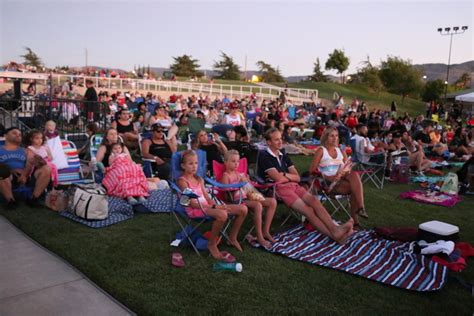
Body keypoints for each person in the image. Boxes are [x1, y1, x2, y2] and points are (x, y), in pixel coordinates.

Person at [258, 128, 354, 243]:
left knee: (314, 201)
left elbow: (297, 177)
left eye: (281, 139)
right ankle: (334, 235)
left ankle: (335, 230)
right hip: (278, 188)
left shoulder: (283, 154)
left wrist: (283, 174)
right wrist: (285, 177)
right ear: (269, 142)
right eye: (276, 140)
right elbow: (277, 179)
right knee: (308, 210)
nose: (280, 142)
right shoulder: (264, 156)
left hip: (293, 185)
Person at [177, 150, 248, 260]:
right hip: (194, 209)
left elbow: (207, 197)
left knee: (243, 209)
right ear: (183, 165)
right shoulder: (182, 181)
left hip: (207, 207)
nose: (194, 166)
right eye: (190, 163)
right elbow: (191, 203)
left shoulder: (199, 179)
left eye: (196, 163)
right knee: (222, 215)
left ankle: (232, 238)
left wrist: (216, 205)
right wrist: (214, 207)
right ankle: (211, 244)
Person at [309, 127, 367, 228]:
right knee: (355, 188)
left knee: (354, 175)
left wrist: (345, 171)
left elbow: (346, 168)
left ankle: (360, 208)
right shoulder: (321, 151)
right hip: (327, 183)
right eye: (332, 136)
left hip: (341, 179)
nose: (335, 138)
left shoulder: (341, 151)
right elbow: (311, 171)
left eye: (336, 136)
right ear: (326, 137)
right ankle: (356, 218)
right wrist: (328, 176)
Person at [221, 150, 276, 248]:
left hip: (247, 197)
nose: (236, 164)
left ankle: (265, 232)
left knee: (272, 202)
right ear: (225, 162)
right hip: (236, 201)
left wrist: (247, 181)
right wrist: (239, 184)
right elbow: (226, 192)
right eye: (233, 161)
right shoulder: (226, 175)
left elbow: (248, 187)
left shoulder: (238, 174)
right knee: (258, 205)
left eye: (237, 161)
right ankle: (259, 237)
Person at [0, 127, 52, 209]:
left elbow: (33, 162)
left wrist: (38, 161)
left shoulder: (26, 150)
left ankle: (33, 199)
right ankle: (10, 201)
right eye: (14, 133)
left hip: (27, 176)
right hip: (7, 177)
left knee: (46, 169)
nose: (18, 135)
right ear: (5, 135)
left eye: (20, 134)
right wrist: (10, 169)